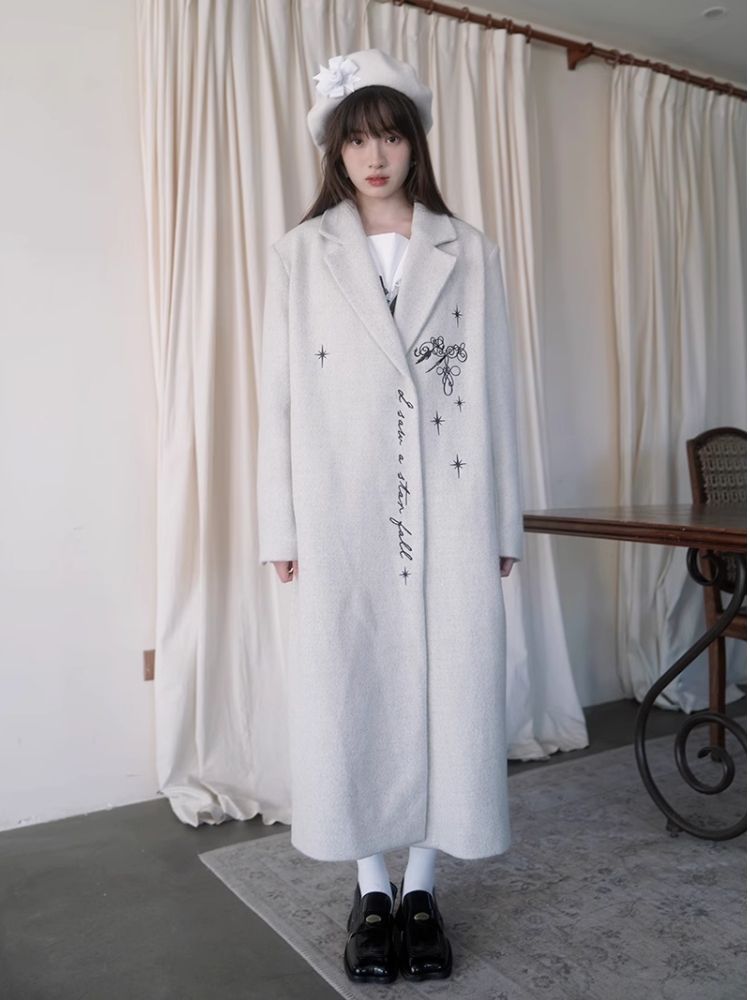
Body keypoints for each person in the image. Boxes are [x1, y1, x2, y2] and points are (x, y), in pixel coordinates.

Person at [256, 48, 524, 984]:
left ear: (416, 142)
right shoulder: (300, 255)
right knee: (352, 687)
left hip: (453, 501)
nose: (375, 156)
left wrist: (502, 523)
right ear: (335, 150)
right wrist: (280, 525)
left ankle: (422, 889)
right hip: (342, 505)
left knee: (455, 690)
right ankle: (370, 891)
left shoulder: (469, 251)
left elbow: (498, 393)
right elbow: (277, 400)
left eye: (392, 136)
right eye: (358, 139)